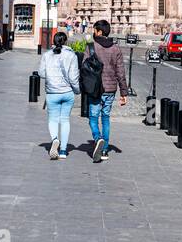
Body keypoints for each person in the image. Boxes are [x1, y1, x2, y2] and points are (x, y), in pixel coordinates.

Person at [83, 19, 128, 163]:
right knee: (106, 118)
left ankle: (98, 138)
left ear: (100, 31)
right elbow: (121, 72)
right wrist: (124, 93)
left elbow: (84, 67)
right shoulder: (116, 49)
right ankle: (104, 150)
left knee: (93, 117)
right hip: (110, 89)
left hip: (95, 88)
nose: (93, 32)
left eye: (95, 29)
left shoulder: (91, 47)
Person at [40, 30, 80, 160]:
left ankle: (55, 139)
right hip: (67, 92)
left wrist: (51, 77)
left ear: (54, 41)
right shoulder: (72, 56)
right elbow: (74, 77)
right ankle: (63, 151)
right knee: (65, 120)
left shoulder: (47, 55)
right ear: (65, 41)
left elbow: (41, 73)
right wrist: (77, 90)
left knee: (53, 119)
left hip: (52, 93)